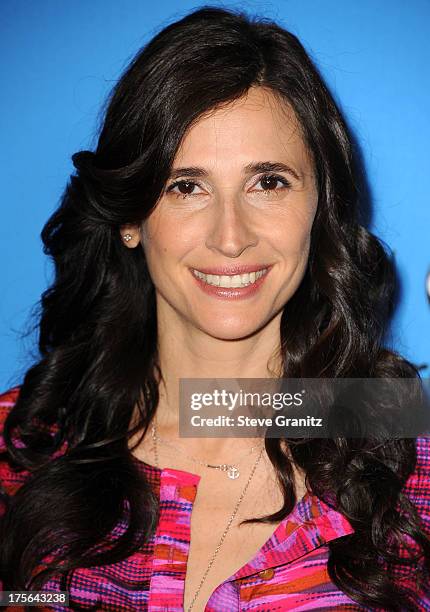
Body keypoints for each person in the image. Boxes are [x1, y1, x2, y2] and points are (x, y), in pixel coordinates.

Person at [0, 5, 429, 611]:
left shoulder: (407, 458)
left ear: (321, 208)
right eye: (186, 186)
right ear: (130, 217)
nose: (231, 237)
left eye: (269, 182)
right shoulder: (24, 444)